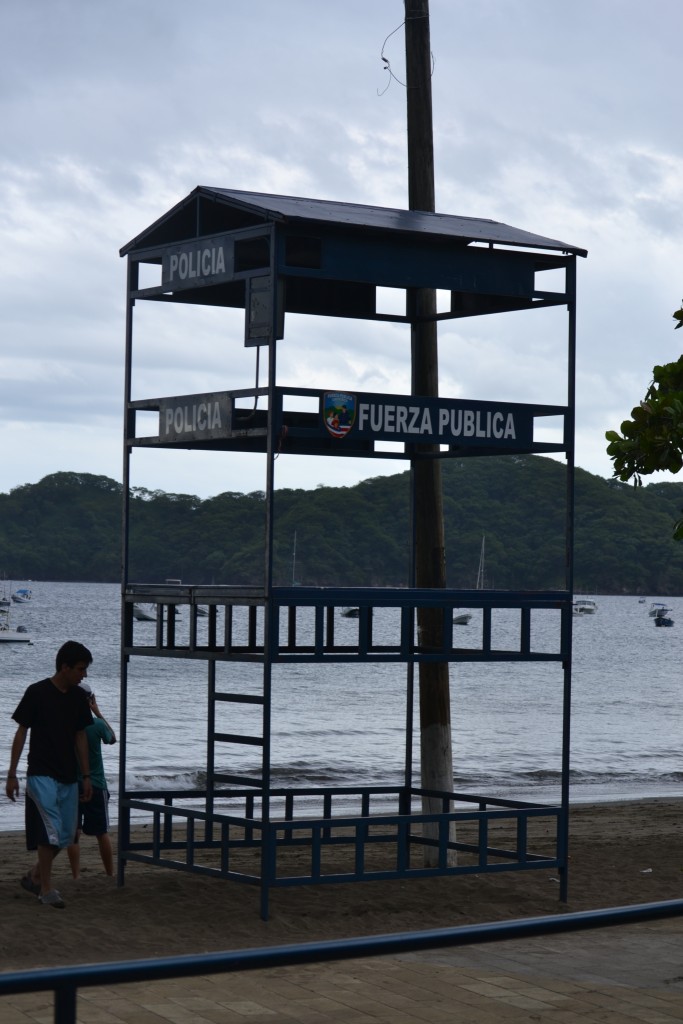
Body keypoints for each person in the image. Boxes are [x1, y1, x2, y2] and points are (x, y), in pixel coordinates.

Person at [6, 640, 93, 908]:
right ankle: (46, 889)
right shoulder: (37, 692)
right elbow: (21, 732)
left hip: (69, 775)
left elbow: (80, 736)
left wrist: (86, 776)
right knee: (50, 832)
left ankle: (34, 876)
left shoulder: (79, 698)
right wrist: (12, 774)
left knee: (67, 835)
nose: (84, 675)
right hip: (41, 772)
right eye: (80, 669)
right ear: (64, 667)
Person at [67, 682, 116, 877]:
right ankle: (110, 873)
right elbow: (112, 738)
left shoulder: (67, 724)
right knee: (101, 832)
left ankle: (76, 875)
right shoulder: (96, 725)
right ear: (90, 700)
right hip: (96, 783)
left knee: (74, 833)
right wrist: (98, 712)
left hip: (72, 784)